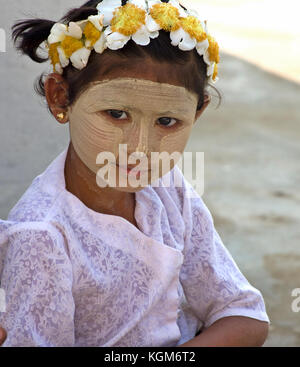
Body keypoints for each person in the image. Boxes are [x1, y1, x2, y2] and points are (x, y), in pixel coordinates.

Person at [0, 0, 269, 347]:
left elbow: (245, 316)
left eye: (167, 121)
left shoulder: (168, 189)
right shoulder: (43, 237)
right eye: (116, 114)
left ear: (198, 112)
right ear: (60, 96)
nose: (140, 149)